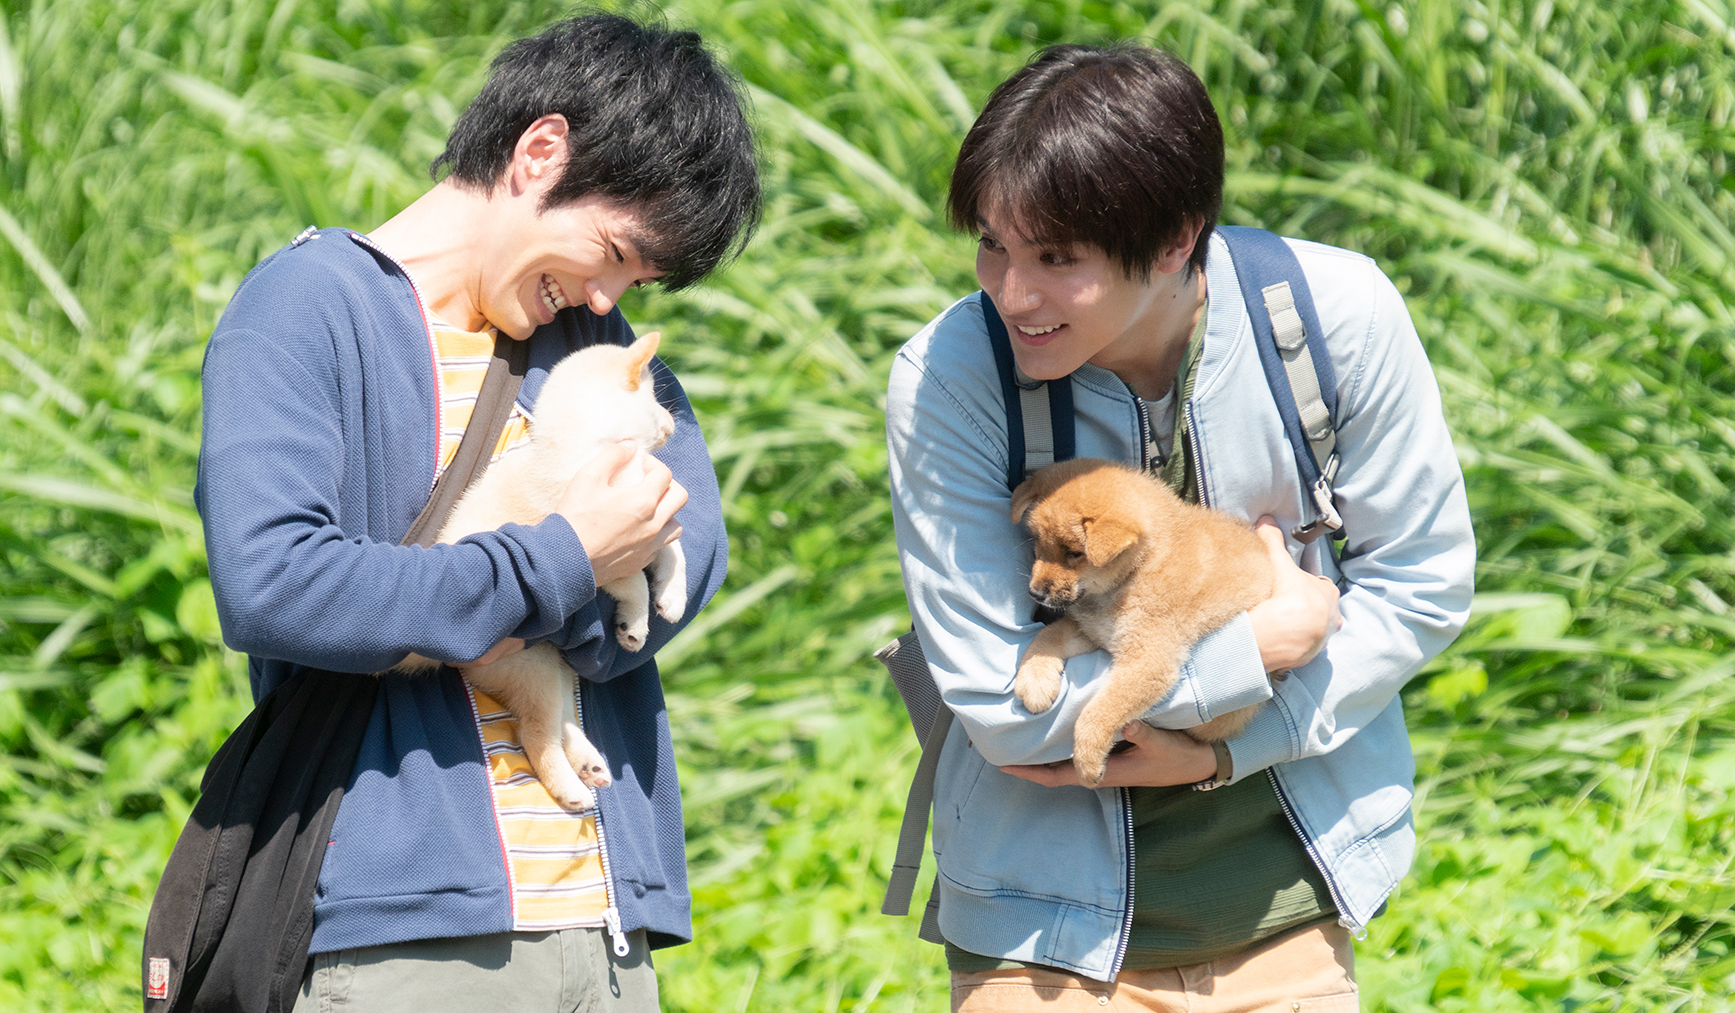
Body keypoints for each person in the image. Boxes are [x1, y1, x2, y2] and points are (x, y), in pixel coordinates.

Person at [886, 44, 1475, 1011]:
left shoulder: (1337, 320)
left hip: (1284, 915)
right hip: (1037, 938)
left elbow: (1423, 580)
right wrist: (1252, 654)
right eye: (993, 244)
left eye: (1057, 258)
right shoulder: (952, 376)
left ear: (1173, 242)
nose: (1010, 291)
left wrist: (1232, 746)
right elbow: (998, 699)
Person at [194, 15, 761, 1011]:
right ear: (540, 151)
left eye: (638, 281)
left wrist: (555, 587)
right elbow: (276, 582)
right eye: (616, 252)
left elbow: (689, 544)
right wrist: (558, 562)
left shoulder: (590, 339)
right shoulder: (307, 304)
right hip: (406, 936)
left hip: (605, 927)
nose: (606, 292)